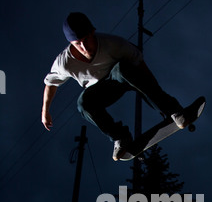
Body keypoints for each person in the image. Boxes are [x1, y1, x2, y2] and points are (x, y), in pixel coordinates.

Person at [42, 12, 187, 161]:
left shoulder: (113, 43)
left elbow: (141, 66)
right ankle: (121, 138)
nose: (84, 47)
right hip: (100, 92)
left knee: (122, 68)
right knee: (83, 103)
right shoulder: (64, 63)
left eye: (86, 40)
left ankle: (173, 110)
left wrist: (161, 102)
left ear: (92, 32)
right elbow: (50, 83)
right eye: (78, 43)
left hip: (122, 78)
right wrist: (45, 111)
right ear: (71, 43)